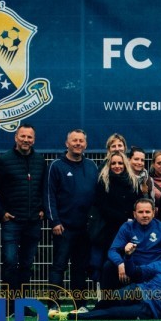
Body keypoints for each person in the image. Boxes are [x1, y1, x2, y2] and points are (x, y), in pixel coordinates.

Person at [67, 242, 161, 320]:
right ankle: (87, 311)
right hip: (137, 291)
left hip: (149, 310)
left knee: (112, 313)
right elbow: (134, 272)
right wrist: (128, 257)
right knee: (109, 299)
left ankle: (79, 317)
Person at [45, 129, 99, 310]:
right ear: (66, 144)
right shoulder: (56, 166)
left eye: (81, 141)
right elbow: (49, 196)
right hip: (64, 227)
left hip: (85, 229)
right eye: (74, 140)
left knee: (80, 268)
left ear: (85, 144)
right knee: (58, 267)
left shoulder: (92, 166)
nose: (78, 143)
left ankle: (80, 304)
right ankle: (53, 305)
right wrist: (55, 221)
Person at [0, 124, 45, 297]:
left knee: (26, 264)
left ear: (34, 139)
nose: (26, 140)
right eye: (22, 136)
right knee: (9, 262)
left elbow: (44, 188)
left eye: (29, 137)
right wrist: (1, 213)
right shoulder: (3, 160)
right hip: (12, 222)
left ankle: (21, 304)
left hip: (32, 222)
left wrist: (43, 209)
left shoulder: (40, 160)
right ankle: (8, 305)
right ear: (16, 137)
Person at [103, 199, 161, 291]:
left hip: (154, 271)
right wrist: (120, 263)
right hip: (133, 270)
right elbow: (112, 250)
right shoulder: (127, 227)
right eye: (140, 212)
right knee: (108, 266)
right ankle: (106, 301)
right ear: (134, 214)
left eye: (147, 212)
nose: (144, 215)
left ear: (153, 213)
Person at [89, 151, 139, 289]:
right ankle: (106, 296)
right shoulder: (103, 181)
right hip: (108, 229)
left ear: (125, 164)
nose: (117, 166)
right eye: (114, 163)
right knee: (109, 263)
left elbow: (136, 203)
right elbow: (102, 206)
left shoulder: (133, 181)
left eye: (120, 163)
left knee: (128, 261)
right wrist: (124, 218)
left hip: (129, 229)